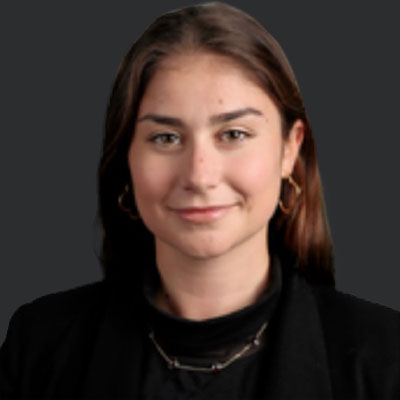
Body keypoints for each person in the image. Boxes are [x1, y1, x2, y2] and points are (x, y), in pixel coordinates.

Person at [0, 2, 399, 399]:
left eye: (234, 134)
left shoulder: (386, 357)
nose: (199, 176)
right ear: (127, 158)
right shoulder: (39, 346)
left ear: (289, 150)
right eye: (166, 138)